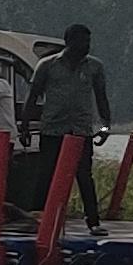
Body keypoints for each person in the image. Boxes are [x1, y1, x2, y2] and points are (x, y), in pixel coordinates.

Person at [25, 24, 113, 228]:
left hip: (82, 130)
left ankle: (93, 220)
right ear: (69, 41)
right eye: (82, 41)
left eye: (88, 41)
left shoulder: (94, 66)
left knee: (84, 175)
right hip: (53, 129)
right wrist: (26, 126)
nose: (86, 45)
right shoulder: (48, 65)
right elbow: (33, 96)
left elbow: (101, 98)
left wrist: (105, 127)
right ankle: (38, 219)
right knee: (46, 174)